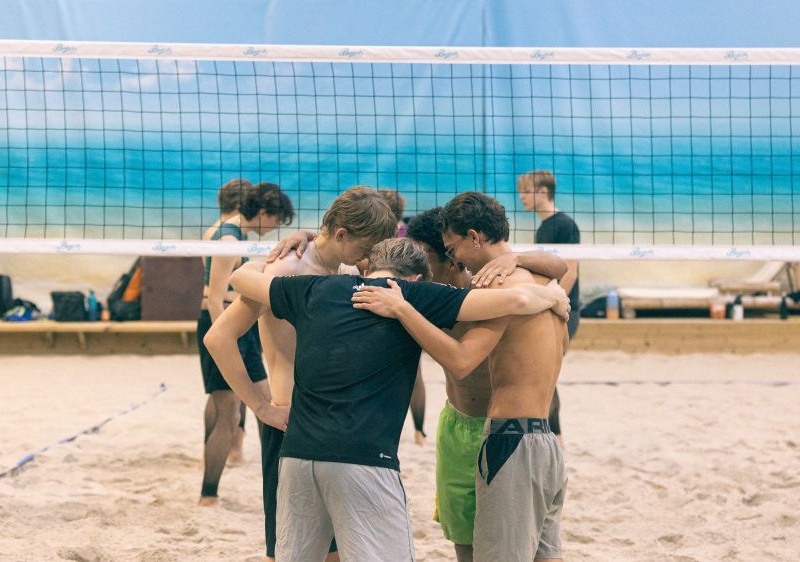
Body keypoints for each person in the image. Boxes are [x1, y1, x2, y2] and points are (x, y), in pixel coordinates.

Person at [225, 237, 568, 562]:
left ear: (365, 267)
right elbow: (519, 301)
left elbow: (240, 279)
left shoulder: (313, 286)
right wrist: (552, 295)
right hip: (364, 457)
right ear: (416, 276)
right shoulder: (413, 294)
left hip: (296, 452)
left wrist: (265, 258)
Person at [357, 192, 568, 561]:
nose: (454, 258)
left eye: (453, 248)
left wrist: (402, 309)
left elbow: (460, 361)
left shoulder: (494, 288)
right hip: (544, 439)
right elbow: (561, 266)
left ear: (474, 237)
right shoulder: (542, 284)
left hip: (509, 437)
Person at [203, 185, 396, 562]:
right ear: (342, 234)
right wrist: (259, 406)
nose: (368, 258)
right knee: (288, 551)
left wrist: (306, 233)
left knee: (338, 550)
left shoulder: (345, 266)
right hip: (291, 423)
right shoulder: (285, 269)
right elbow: (218, 338)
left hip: (339, 425)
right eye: (365, 247)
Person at [197, 179, 293, 507]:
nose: (278, 226)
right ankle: (209, 494)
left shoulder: (228, 232)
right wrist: (226, 344)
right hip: (226, 326)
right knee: (240, 409)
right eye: (277, 219)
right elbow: (213, 298)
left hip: (234, 327)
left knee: (234, 404)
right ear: (264, 212)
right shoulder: (228, 237)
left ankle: (224, 481)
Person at [517, 170, 581, 449]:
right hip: (548, 306)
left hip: (564, 309)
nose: (521, 197)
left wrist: (553, 303)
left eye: (525, 191)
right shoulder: (544, 227)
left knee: (545, 374)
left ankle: (557, 438)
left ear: (543, 192)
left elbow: (572, 271)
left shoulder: (566, 225)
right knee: (541, 373)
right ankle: (553, 436)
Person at [377, 188, 426, 445]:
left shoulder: (377, 238)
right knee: (415, 371)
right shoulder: (410, 233)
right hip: (409, 302)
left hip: (382, 303)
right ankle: (419, 433)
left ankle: (385, 427)